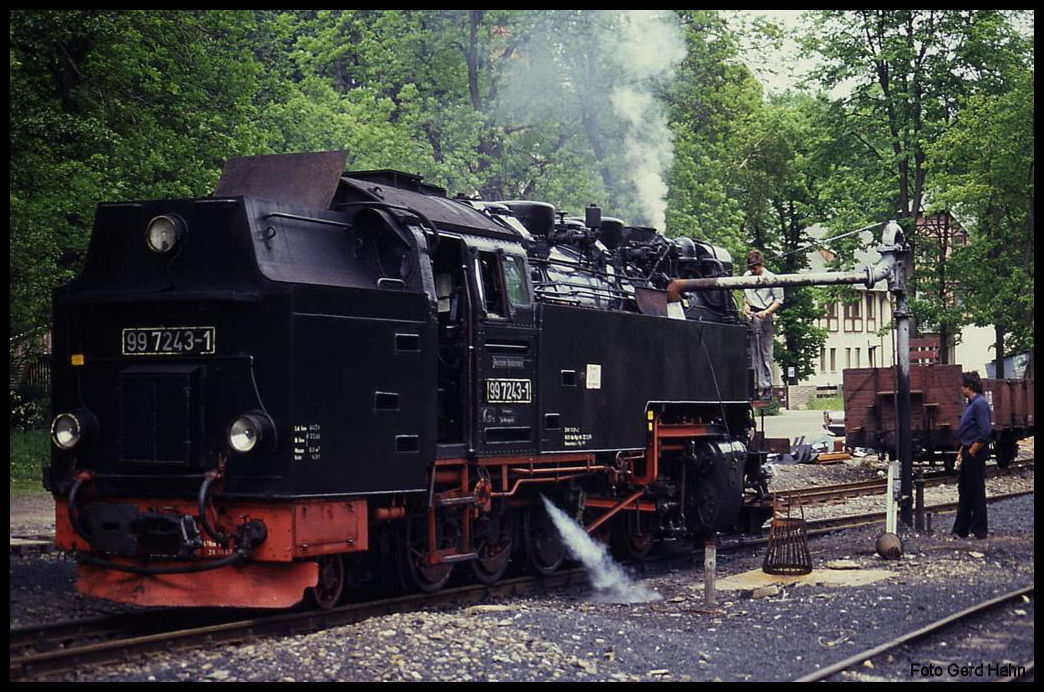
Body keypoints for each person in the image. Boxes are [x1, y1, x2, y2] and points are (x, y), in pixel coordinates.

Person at [952, 371, 992, 539]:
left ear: (969, 387)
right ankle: (962, 528)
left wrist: (972, 450)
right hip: (968, 449)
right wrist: (962, 450)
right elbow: (969, 429)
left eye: (963, 386)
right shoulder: (970, 404)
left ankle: (979, 529)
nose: (961, 389)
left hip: (975, 452)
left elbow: (984, 432)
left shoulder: (979, 404)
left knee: (975, 490)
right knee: (965, 489)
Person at [742, 249, 783, 400]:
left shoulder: (772, 278)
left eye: (755, 268)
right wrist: (745, 305)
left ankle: (766, 387)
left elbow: (779, 300)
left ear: (761, 265)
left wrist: (766, 311)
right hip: (751, 316)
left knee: (766, 353)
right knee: (752, 353)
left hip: (765, 316)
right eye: (751, 268)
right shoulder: (747, 276)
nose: (753, 271)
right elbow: (744, 294)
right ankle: (754, 387)